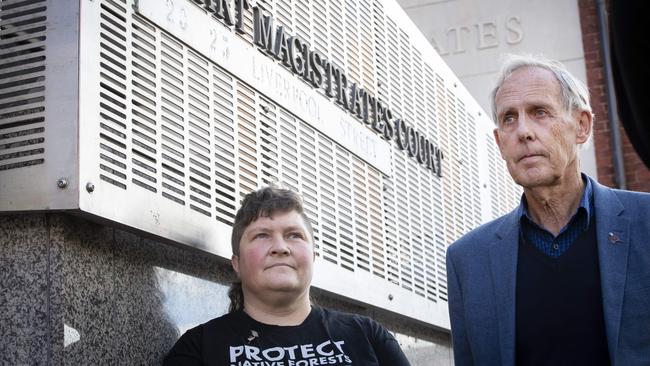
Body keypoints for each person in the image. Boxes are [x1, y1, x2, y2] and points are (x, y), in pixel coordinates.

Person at [446, 54, 650, 366]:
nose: (523, 132)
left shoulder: (645, 224)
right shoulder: (468, 260)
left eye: (540, 112)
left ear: (581, 126)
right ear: (500, 143)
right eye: (509, 118)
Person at [164, 187, 411, 366]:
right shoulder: (200, 348)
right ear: (236, 263)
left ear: (313, 256)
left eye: (294, 235)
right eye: (261, 235)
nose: (280, 247)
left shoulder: (366, 335)